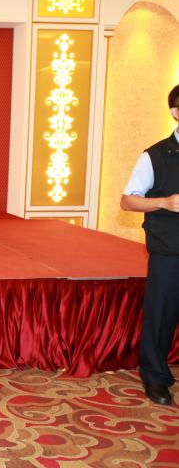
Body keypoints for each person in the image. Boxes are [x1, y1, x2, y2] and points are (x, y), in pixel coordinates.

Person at [120, 84, 179, 407]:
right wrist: (164, 202)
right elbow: (128, 201)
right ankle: (155, 376)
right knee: (161, 314)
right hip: (169, 250)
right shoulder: (155, 156)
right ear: (175, 112)